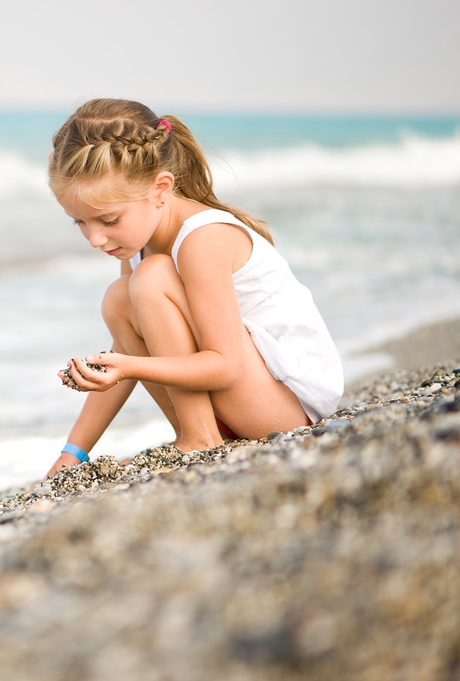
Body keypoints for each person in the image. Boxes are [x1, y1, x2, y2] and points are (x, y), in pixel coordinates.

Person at [43, 99, 343, 479]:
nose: (95, 238)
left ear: (160, 189)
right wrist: (74, 453)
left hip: (285, 407)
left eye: (108, 220)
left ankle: (199, 439)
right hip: (238, 406)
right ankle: (199, 434)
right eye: (80, 223)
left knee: (150, 278)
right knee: (118, 299)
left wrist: (127, 367)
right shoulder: (138, 243)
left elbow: (225, 365)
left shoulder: (203, 238)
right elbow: (126, 350)